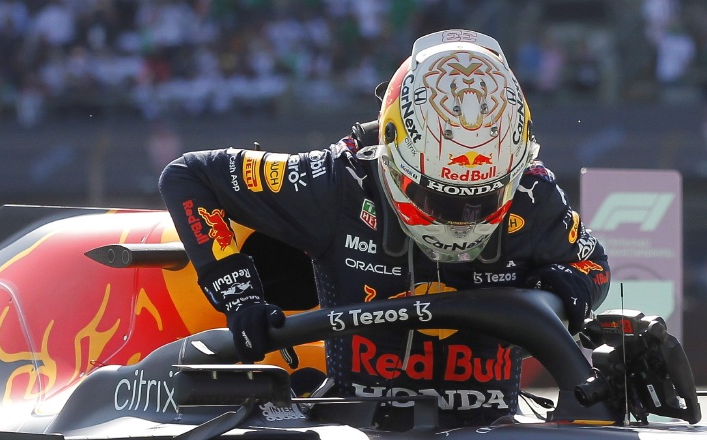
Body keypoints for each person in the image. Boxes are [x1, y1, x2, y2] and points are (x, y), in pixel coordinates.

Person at [158, 29, 610, 430]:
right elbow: (189, 176)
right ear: (392, 152)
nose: (462, 217)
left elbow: (594, 263)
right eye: (440, 197)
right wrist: (238, 294)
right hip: (355, 423)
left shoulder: (534, 197)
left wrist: (561, 294)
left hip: (493, 424)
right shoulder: (338, 180)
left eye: (483, 198)